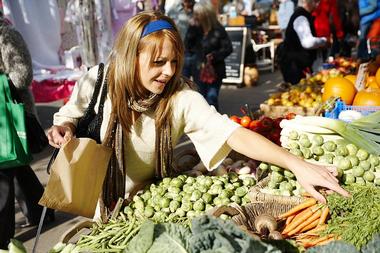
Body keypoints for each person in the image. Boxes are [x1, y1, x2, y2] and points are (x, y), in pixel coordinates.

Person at [48, 10, 349, 220]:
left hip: (145, 206)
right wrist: (63, 126)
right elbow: (69, 114)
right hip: (96, 202)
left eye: (174, 61)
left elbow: (233, 133)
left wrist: (296, 164)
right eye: (158, 62)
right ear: (131, 56)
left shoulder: (179, 98)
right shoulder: (98, 80)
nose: (168, 71)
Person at [0, 11, 53, 249]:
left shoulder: (7, 36)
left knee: (3, 171)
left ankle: (2, 235)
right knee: (17, 165)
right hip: (7, 119)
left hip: (12, 114)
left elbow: (22, 76)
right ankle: (39, 210)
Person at [184, 1, 232, 111]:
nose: (195, 16)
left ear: (206, 14)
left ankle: (214, 125)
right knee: (200, 99)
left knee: (211, 99)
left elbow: (228, 48)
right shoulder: (195, 28)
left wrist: (215, 55)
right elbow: (187, 46)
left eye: (198, 14)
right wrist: (191, 29)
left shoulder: (218, 29)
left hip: (215, 70)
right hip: (199, 70)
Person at [279, 0, 328, 85]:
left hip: (297, 64)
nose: (317, 4)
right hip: (295, 66)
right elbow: (307, 42)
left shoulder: (303, 15)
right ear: (306, 2)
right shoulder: (301, 17)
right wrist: (324, 41)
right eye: (315, 2)